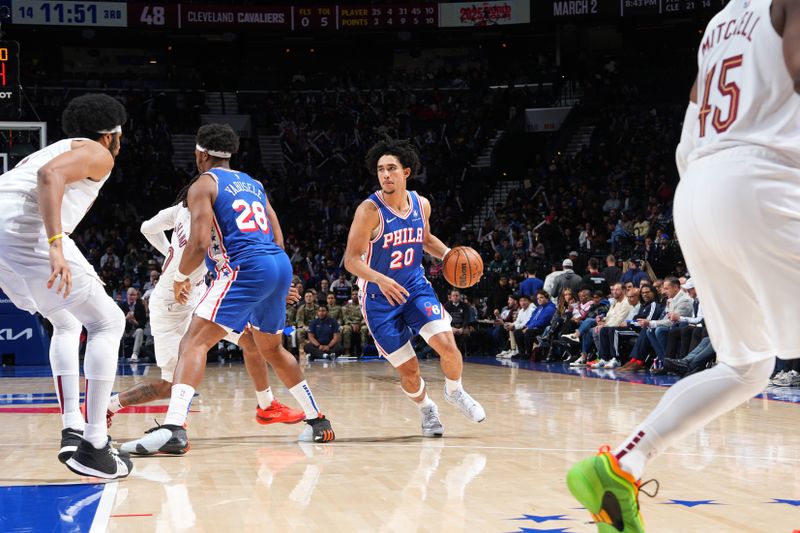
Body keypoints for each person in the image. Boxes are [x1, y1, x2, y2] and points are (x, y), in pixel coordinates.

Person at [567, 1, 800, 531]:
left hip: (700, 187)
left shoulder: (721, 21)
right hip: (766, 180)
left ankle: (622, 463)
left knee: (747, 367)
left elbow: (692, 124)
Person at [121, 124, 334, 454]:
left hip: (244, 268)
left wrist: (180, 276)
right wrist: (276, 283)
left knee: (194, 342)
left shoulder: (203, 185)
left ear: (201, 154)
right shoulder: (255, 184)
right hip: (277, 264)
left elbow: (199, 242)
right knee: (271, 348)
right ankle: (318, 421)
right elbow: (277, 238)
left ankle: (175, 428)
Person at [0, 93, 132, 479]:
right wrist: (56, 246)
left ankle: (72, 426)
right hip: (26, 235)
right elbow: (50, 177)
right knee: (109, 322)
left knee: (66, 322)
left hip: (4, 238)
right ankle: (94, 444)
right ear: (112, 135)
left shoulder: (55, 148)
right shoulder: (98, 152)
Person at [106, 191, 305, 431]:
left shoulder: (181, 210)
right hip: (171, 304)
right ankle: (111, 407)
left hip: (197, 294)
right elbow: (238, 273)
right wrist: (276, 290)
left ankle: (267, 406)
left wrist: (169, 251)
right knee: (172, 384)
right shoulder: (204, 231)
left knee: (250, 342)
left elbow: (146, 227)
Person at [343, 138, 485, 438]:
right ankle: (426, 408)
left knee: (447, 344)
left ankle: (455, 391)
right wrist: (380, 279)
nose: (385, 175)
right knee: (409, 371)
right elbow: (351, 260)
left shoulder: (422, 204)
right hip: (378, 298)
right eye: (380, 169)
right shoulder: (369, 211)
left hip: (414, 287)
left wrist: (448, 255)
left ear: (406, 172)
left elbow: (425, 237)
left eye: (391, 168)